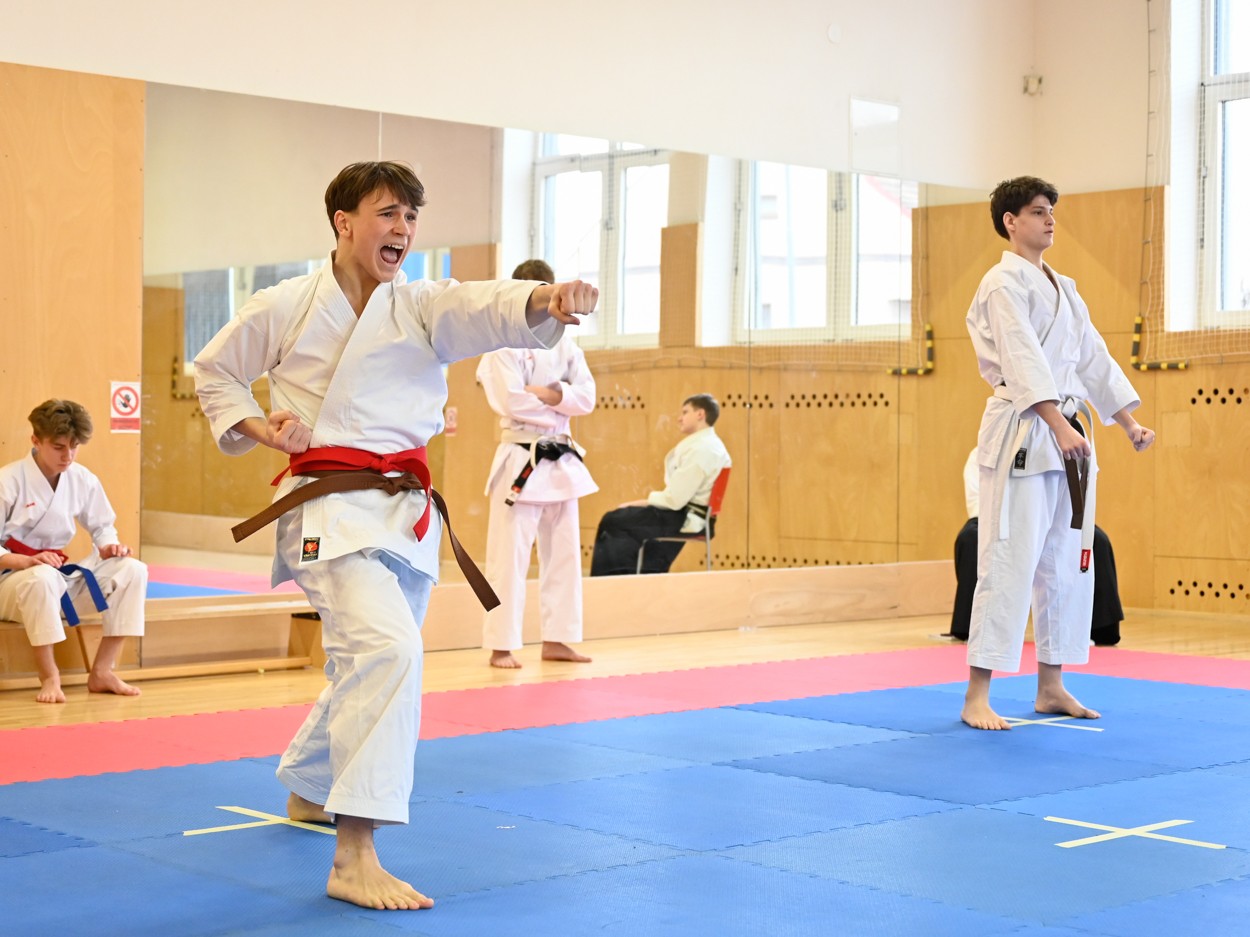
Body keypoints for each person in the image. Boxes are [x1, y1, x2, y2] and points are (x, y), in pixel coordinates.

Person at [193, 162, 597, 911]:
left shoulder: (421, 305)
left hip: (405, 514)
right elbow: (214, 374)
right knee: (389, 650)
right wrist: (260, 427)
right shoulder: (284, 305)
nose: (403, 229)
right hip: (325, 506)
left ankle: (310, 784)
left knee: (371, 656)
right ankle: (355, 852)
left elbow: (483, 306)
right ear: (343, 222)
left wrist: (543, 299)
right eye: (388, 213)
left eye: (411, 216)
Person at [962, 175, 1154, 731]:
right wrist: (1055, 422)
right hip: (1024, 432)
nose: (1049, 220)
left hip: (1067, 432)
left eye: (1052, 211)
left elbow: (1092, 358)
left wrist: (1127, 421)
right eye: (1038, 211)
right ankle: (977, 695)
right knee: (1008, 560)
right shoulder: (1001, 284)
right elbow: (1021, 358)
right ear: (1011, 222)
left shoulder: (1065, 288)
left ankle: (1051, 685)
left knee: (1065, 564)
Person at [478, 259, 597, 669]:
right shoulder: (501, 345)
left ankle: (558, 639)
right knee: (507, 558)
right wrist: (561, 404)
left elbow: (587, 397)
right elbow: (510, 401)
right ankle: (501, 644)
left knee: (564, 554)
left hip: (562, 460)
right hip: (520, 459)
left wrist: (550, 394)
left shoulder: (566, 345)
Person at [0, 399, 147, 704]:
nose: (67, 455)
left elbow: (103, 527)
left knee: (133, 569)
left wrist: (109, 547)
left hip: (56, 577)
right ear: (36, 441)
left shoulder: (82, 479)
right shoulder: (8, 481)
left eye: (74, 446)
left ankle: (103, 670)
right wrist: (25, 561)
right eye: (58, 447)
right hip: (11, 582)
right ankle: (49, 676)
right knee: (41, 577)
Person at [948, 448, 1124, 645]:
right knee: (970, 537)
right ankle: (971, 628)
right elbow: (980, 501)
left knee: (1097, 539)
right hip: (1001, 516)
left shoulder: (1053, 447)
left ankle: (1101, 629)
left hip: (1049, 515)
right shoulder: (985, 450)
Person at [590, 393, 731, 576]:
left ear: (700, 414)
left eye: (685, 412)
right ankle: (636, 580)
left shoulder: (703, 449)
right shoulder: (707, 445)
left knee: (614, 521)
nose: (679, 418)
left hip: (685, 517)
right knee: (625, 520)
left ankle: (613, 585)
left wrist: (640, 502)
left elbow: (675, 500)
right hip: (689, 515)